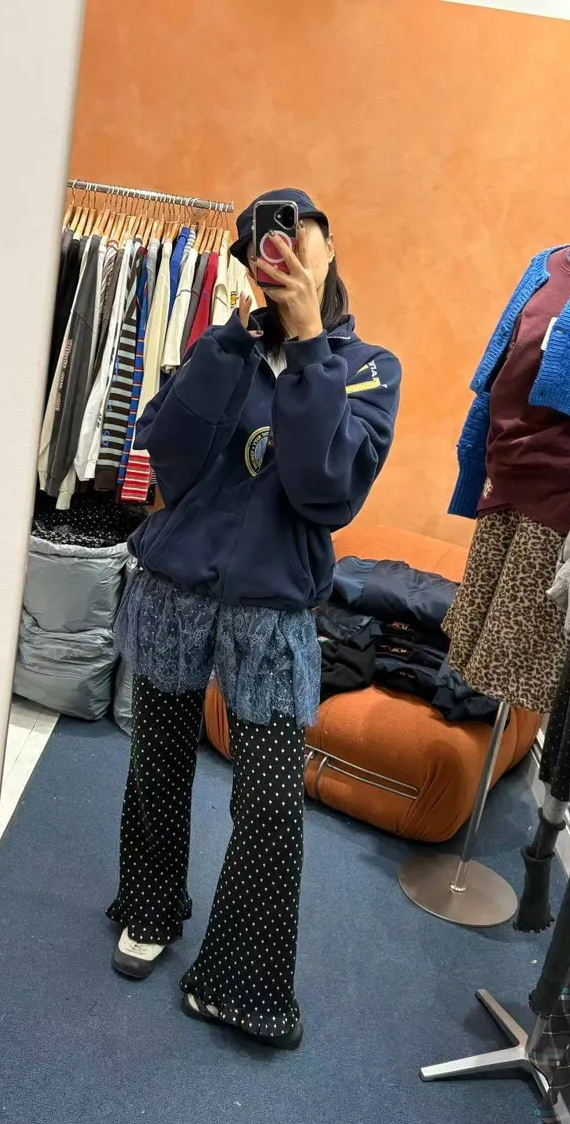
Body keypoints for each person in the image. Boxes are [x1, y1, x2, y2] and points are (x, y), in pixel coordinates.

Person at [107, 188, 402, 1049]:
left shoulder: (369, 367)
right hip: (176, 590)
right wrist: (231, 344)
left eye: (296, 236)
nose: (279, 253)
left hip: (271, 613)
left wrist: (308, 346)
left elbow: (326, 491)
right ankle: (150, 906)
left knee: (271, 801)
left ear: (328, 244)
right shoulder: (221, 344)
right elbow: (169, 456)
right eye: (261, 246)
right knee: (158, 764)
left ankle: (240, 978)